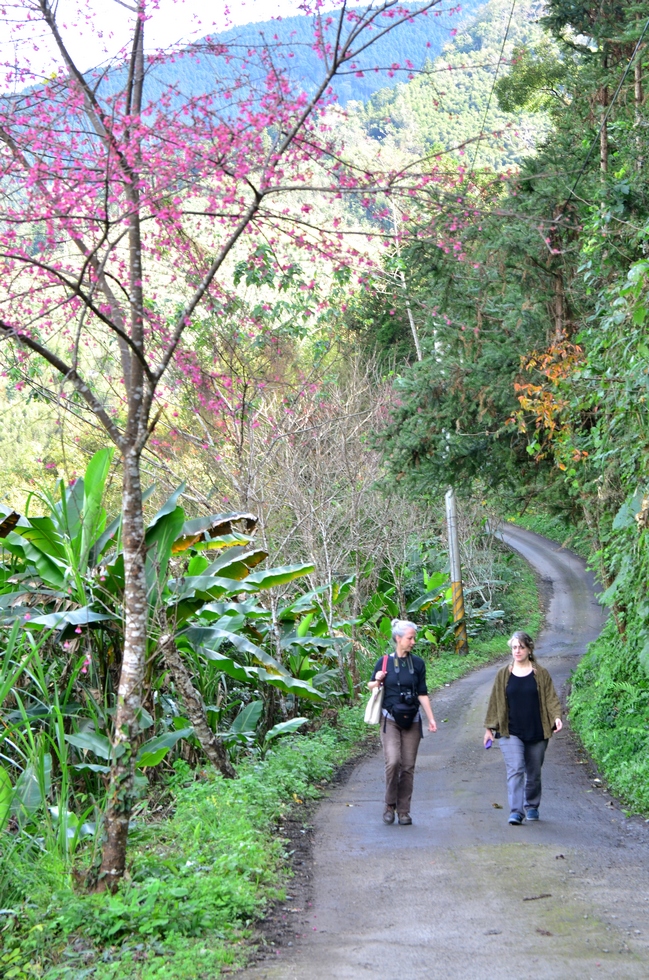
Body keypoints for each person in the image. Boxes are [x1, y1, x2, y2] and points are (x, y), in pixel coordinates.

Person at [483, 630, 563, 825]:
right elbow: (495, 701)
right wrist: (489, 728)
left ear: (529, 649)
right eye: (514, 647)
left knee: (534, 772)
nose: (517, 651)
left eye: (521, 647)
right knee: (516, 768)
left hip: (537, 729)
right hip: (510, 731)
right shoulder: (504, 674)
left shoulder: (540, 673)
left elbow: (551, 698)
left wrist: (556, 717)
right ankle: (516, 811)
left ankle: (532, 805)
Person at [369, 619, 437, 825]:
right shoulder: (384, 662)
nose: (413, 641)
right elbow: (370, 685)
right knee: (393, 762)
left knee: (408, 766)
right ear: (398, 638)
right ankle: (390, 804)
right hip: (390, 719)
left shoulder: (418, 664)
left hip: (413, 720)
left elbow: (423, 693)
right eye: (410, 638)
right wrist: (378, 679)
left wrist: (431, 719)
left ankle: (404, 811)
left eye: (414, 638)